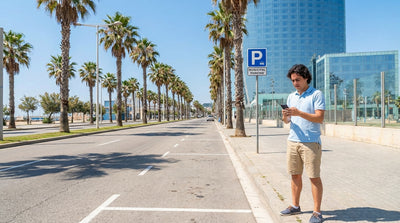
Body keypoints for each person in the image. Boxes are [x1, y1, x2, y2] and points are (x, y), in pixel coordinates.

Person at [280, 64, 325, 223]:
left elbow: (319, 118)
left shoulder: (316, 94)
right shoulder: (291, 97)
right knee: (295, 175)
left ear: (306, 78)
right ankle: (295, 205)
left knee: (314, 177)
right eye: (293, 80)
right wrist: (285, 116)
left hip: (311, 143)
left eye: (298, 79)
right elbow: (287, 121)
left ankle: (317, 212)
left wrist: (299, 113)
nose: (295, 83)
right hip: (293, 141)